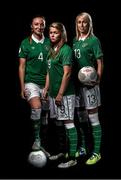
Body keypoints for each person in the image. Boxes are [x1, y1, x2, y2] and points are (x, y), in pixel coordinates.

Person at [43, 22, 78, 168]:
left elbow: (67, 73)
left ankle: (72, 158)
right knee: (58, 122)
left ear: (62, 34)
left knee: (69, 123)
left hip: (64, 94)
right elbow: (49, 72)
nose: (52, 34)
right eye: (50, 32)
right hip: (53, 94)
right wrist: (46, 88)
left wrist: (60, 94)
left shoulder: (66, 50)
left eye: (55, 32)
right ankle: (62, 152)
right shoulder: (51, 50)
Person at [72, 12, 103, 165]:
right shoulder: (74, 41)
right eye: (79, 22)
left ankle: (96, 152)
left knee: (93, 117)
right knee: (81, 117)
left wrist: (97, 80)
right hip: (77, 86)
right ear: (76, 24)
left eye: (84, 22)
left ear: (89, 24)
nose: (82, 25)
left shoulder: (94, 40)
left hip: (90, 85)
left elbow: (100, 62)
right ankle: (83, 147)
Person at [18, 15, 51, 157]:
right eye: (36, 24)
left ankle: (42, 142)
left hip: (47, 83)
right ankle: (36, 140)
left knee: (45, 115)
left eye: (41, 24)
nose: (39, 27)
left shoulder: (50, 42)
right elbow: (21, 66)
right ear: (31, 26)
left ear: (45, 26)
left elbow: (51, 66)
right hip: (31, 82)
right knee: (36, 108)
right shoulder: (25, 43)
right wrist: (21, 88)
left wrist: (48, 87)